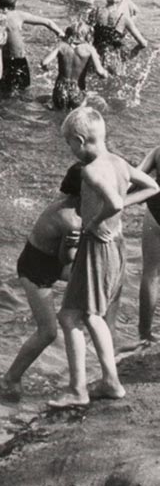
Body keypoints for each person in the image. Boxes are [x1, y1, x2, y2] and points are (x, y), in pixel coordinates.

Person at [49, 108, 158, 408]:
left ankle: (106, 383)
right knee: (69, 316)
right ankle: (81, 385)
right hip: (116, 243)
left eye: (70, 144)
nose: (70, 150)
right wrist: (122, 201)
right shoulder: (119, 163)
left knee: (90, 316)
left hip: (98, 245)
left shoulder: (91, 170)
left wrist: (94, 222)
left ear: (81, 140)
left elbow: (112, 203)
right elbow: (153, 186)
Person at [0, 166, 83, 399]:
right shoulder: (69, 218)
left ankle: (87, 364)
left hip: (50, 263)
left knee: (93, 291)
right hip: (36, 271)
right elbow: (66, 258)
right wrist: (71, 245)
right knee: (48, 332)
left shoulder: (75, 206)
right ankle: (9, 379)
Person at [0, 0, 63, 92]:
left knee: (2, 91)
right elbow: (47, 22)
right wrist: (60, 33)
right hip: (19, 61)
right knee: (23, 91)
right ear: (13, 2)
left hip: (2, 61)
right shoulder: (18, 15)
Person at [40, 20, 106, 110]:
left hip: (60, 89)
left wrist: (46, 69)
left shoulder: (61, 46)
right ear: (86, 34)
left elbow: (44, 62)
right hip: (77, 90)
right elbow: (100, 71)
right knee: (78, 113)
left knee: (57, 115)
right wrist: (105, 74)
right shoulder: (89, 49)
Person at [91, 0, 147, 73]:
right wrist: (128, 56)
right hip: (115, 61)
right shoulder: (123, 18)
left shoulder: (95, 11)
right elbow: (143, 44)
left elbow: (86, 34)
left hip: (95, 58)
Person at [136, 145, 160, 343]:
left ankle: (144, 334)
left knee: (151, 274)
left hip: (157, 211)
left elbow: (133, 178)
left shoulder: (158, 151)